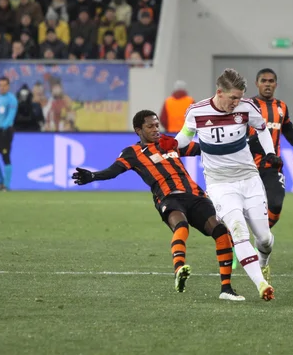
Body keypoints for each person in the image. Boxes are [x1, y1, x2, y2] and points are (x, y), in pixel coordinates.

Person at [71, 110, 244, 301]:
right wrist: (93, 176)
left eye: (157, 125)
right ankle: (179, 269)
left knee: (220, 231)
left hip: (196, 196)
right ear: (138, 130)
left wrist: (234, 144)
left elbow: (203, 149)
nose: (156, 129)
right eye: (150, 126)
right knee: (181, 226)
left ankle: (226, 289)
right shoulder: (133, 153)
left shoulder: (169, 144)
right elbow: (114, 171)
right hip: (168, 198)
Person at [171, 68, 281, 301]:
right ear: (219, 92)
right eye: (233, 97)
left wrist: (270, 153)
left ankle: (263, 263)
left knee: (264, 239)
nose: (236, 102)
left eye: (239, 97)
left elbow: (261, 129)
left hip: (249, 179)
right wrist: (170, 145)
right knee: (239, 232)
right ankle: (261, 285)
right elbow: (184, 137)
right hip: (220, 183)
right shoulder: (196, 111)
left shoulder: (247, 108)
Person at [248, 68, 293, 228]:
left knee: (275, 206)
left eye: (271, 81)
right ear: (257, 84)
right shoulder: (247, 106)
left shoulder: (281, 107)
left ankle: (260, 237)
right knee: (238, 210)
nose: (267, 84)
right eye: (263, 81)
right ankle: (237, 244)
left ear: (276, 84)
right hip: (246, 168)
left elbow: (287, 128)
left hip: (272, 167)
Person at [0, 77, 19, 191]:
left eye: (4, 85)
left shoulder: (12, 99)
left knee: (5, 156)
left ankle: (6, 185)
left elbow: (11, 115)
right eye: (0, 85)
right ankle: (0, 181)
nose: (2, 87)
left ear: (8, 86)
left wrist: (3, 127)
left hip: (6, 131)